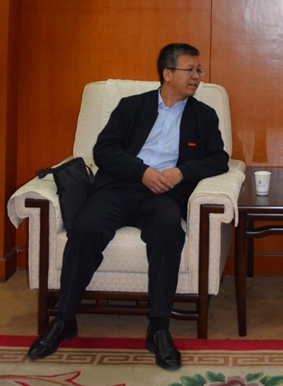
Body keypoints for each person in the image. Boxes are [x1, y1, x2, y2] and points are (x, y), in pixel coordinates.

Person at [27, 43, 229, 371]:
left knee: (168, 230)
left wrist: (181, 172)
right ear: (167, 73)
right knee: (86, 228)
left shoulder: (204, 115)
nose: (197, 76)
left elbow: (219, 159)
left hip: (164, 195)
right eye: (190, 70)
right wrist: (141, 172)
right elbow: (104, 150)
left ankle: (158, 327)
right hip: (118, 188)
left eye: (199, 70)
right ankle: (64, 320)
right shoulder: (132, 106)